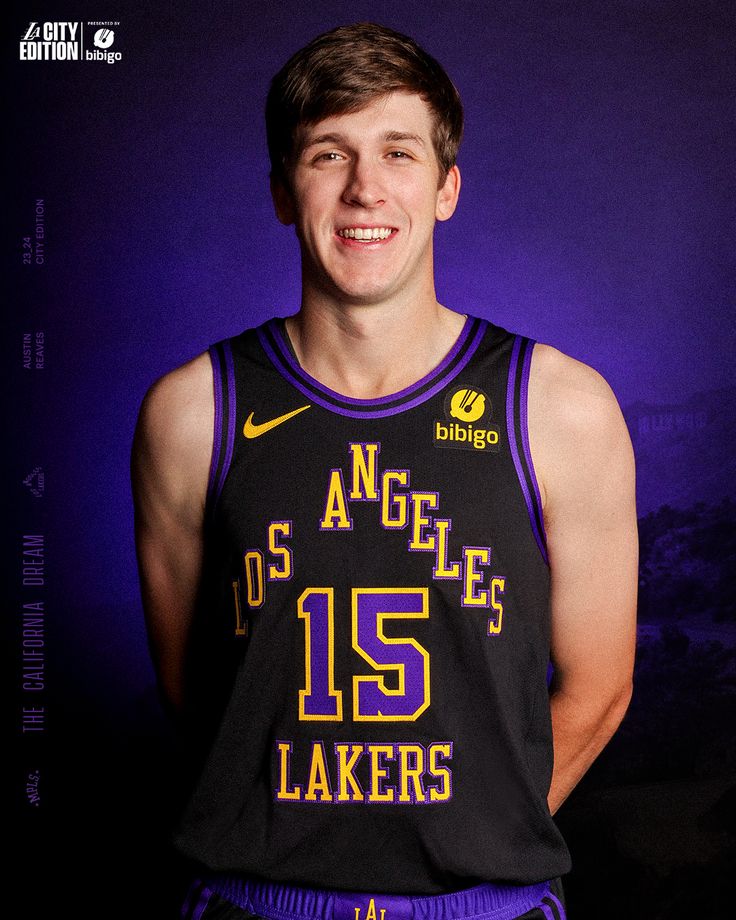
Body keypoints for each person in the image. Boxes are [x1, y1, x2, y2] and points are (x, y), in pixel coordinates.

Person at [131, 22, 637, 920]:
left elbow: (599, 687)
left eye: (398, 152)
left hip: (487, 907)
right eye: (330, 153)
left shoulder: (559, 409)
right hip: (254, 903)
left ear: (447, 188)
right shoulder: (191, 412)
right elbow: (196, 690)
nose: (366, 187)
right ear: (285, 192)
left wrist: (473, 833)